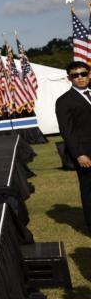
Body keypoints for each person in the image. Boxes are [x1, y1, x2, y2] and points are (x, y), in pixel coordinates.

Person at [55, 61, 91, 233]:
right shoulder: (64, 101)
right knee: (89, 189)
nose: (80, 78)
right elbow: (67, 131)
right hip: (85, 153)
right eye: (75, 75)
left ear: (89, 74)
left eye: (83, 74)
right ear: (69, 78)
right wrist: (79, 154)